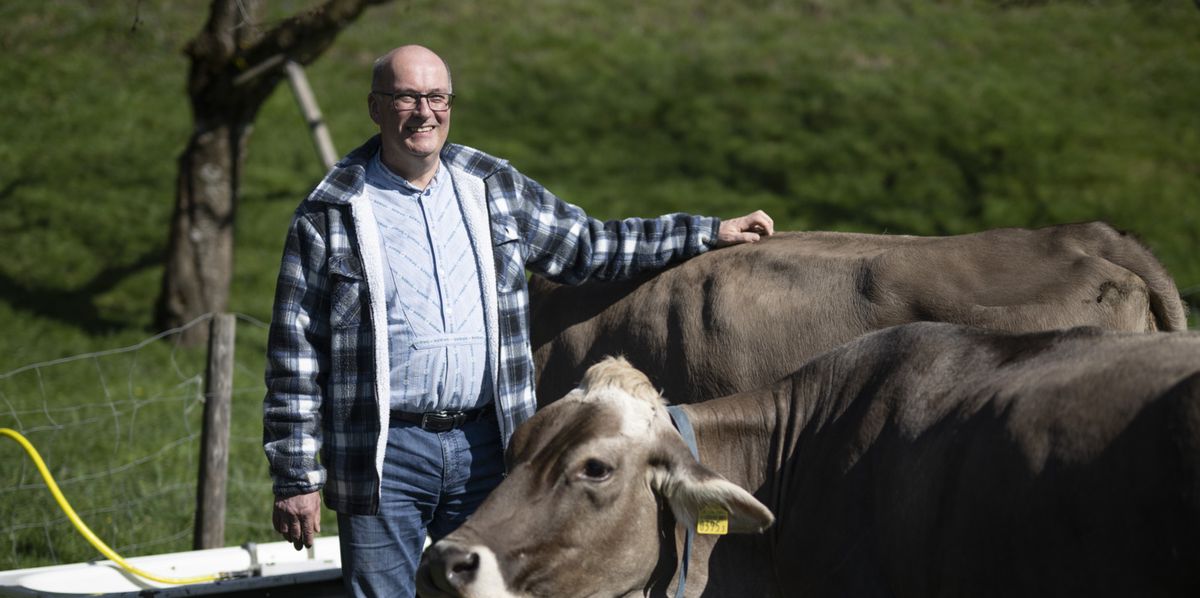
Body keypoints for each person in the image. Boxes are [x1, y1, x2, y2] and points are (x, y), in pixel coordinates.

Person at [262, 44, 774, 597]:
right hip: (386, 450)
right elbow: (295, 354)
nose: (424, 112)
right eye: (407, 97)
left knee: (501, 589)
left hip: (489, 441)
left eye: (437, 97)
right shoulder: (330, 212)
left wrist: (703, 233)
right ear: (375, 107)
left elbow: (588, 246)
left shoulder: (490, 187)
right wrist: (296, 478)